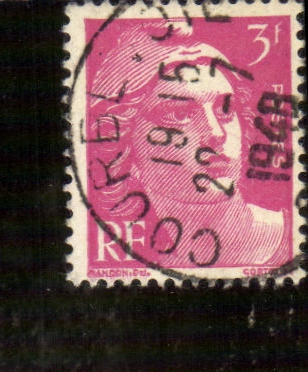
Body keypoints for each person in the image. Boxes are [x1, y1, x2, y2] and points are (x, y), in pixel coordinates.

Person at [82, 19, 290, 270]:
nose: (215, 133)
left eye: (225, 109)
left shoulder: (295, 238)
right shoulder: (147, 274)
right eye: (179, 114)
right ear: (124, 151)